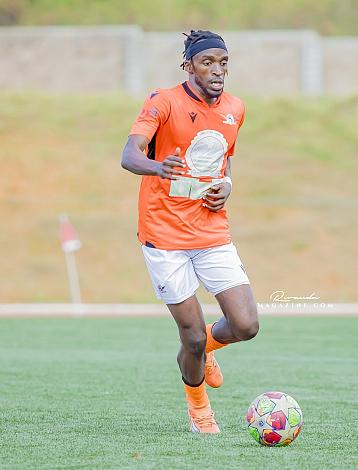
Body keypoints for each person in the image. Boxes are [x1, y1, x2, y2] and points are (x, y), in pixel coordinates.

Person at [121, 30, 259, 434]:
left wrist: (227, 185)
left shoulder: (235, 108)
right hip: (164, 236)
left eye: (223, 63)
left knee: (246, 325)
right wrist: (157, 167)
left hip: (212, 231)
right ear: (188, 66)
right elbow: (129, 155)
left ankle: (206, 348)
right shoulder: (162, 101)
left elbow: (224, 159)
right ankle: (199, 408)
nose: (217, 71)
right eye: (207, 62)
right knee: (192, 338)